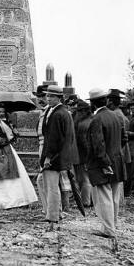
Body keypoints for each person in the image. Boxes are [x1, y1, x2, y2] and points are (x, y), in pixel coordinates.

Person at [86, 88, 126, 238]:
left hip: (102, 162)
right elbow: (124, 138)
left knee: (103, 196)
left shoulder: (97, 119)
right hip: (117, 160)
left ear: (93, 103)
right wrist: (114, 154)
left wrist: (104, 162)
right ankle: (112, 225)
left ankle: (108, 229)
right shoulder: (116, 116)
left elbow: (98, 144)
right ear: (106, 100)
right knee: (115, 196)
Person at [39, 85, 77, 222]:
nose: (48, 99)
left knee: (51, 186)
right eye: (47, 96)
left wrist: (48, 157)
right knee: (45, 182)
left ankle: (53, 215)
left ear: (59, 98)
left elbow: (54, 138)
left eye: (52, 96)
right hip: (60, 155)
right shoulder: (60, 111)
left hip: (55, 156)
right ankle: (56, 212)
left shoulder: (58, 114)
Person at [73, 99, 93, 207]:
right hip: (87, 154)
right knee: (87, 178)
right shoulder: (91, 120)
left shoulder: (82, 124)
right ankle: (90, 199)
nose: (78, 113)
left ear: (85, 111)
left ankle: (85, 201)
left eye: (80, 111)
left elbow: (84, 142)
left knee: (83, 179)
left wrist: (87, 156)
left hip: (83, 155)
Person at [33, 85, 49, 214]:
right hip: (42, 146)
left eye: (43, 96)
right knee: (44, 180)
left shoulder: (51, 112)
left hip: (48, 149)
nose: (40, 99)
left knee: (45, 179)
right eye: (38, 97)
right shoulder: (43, 112)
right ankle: (49, 208)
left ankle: (52, 209)